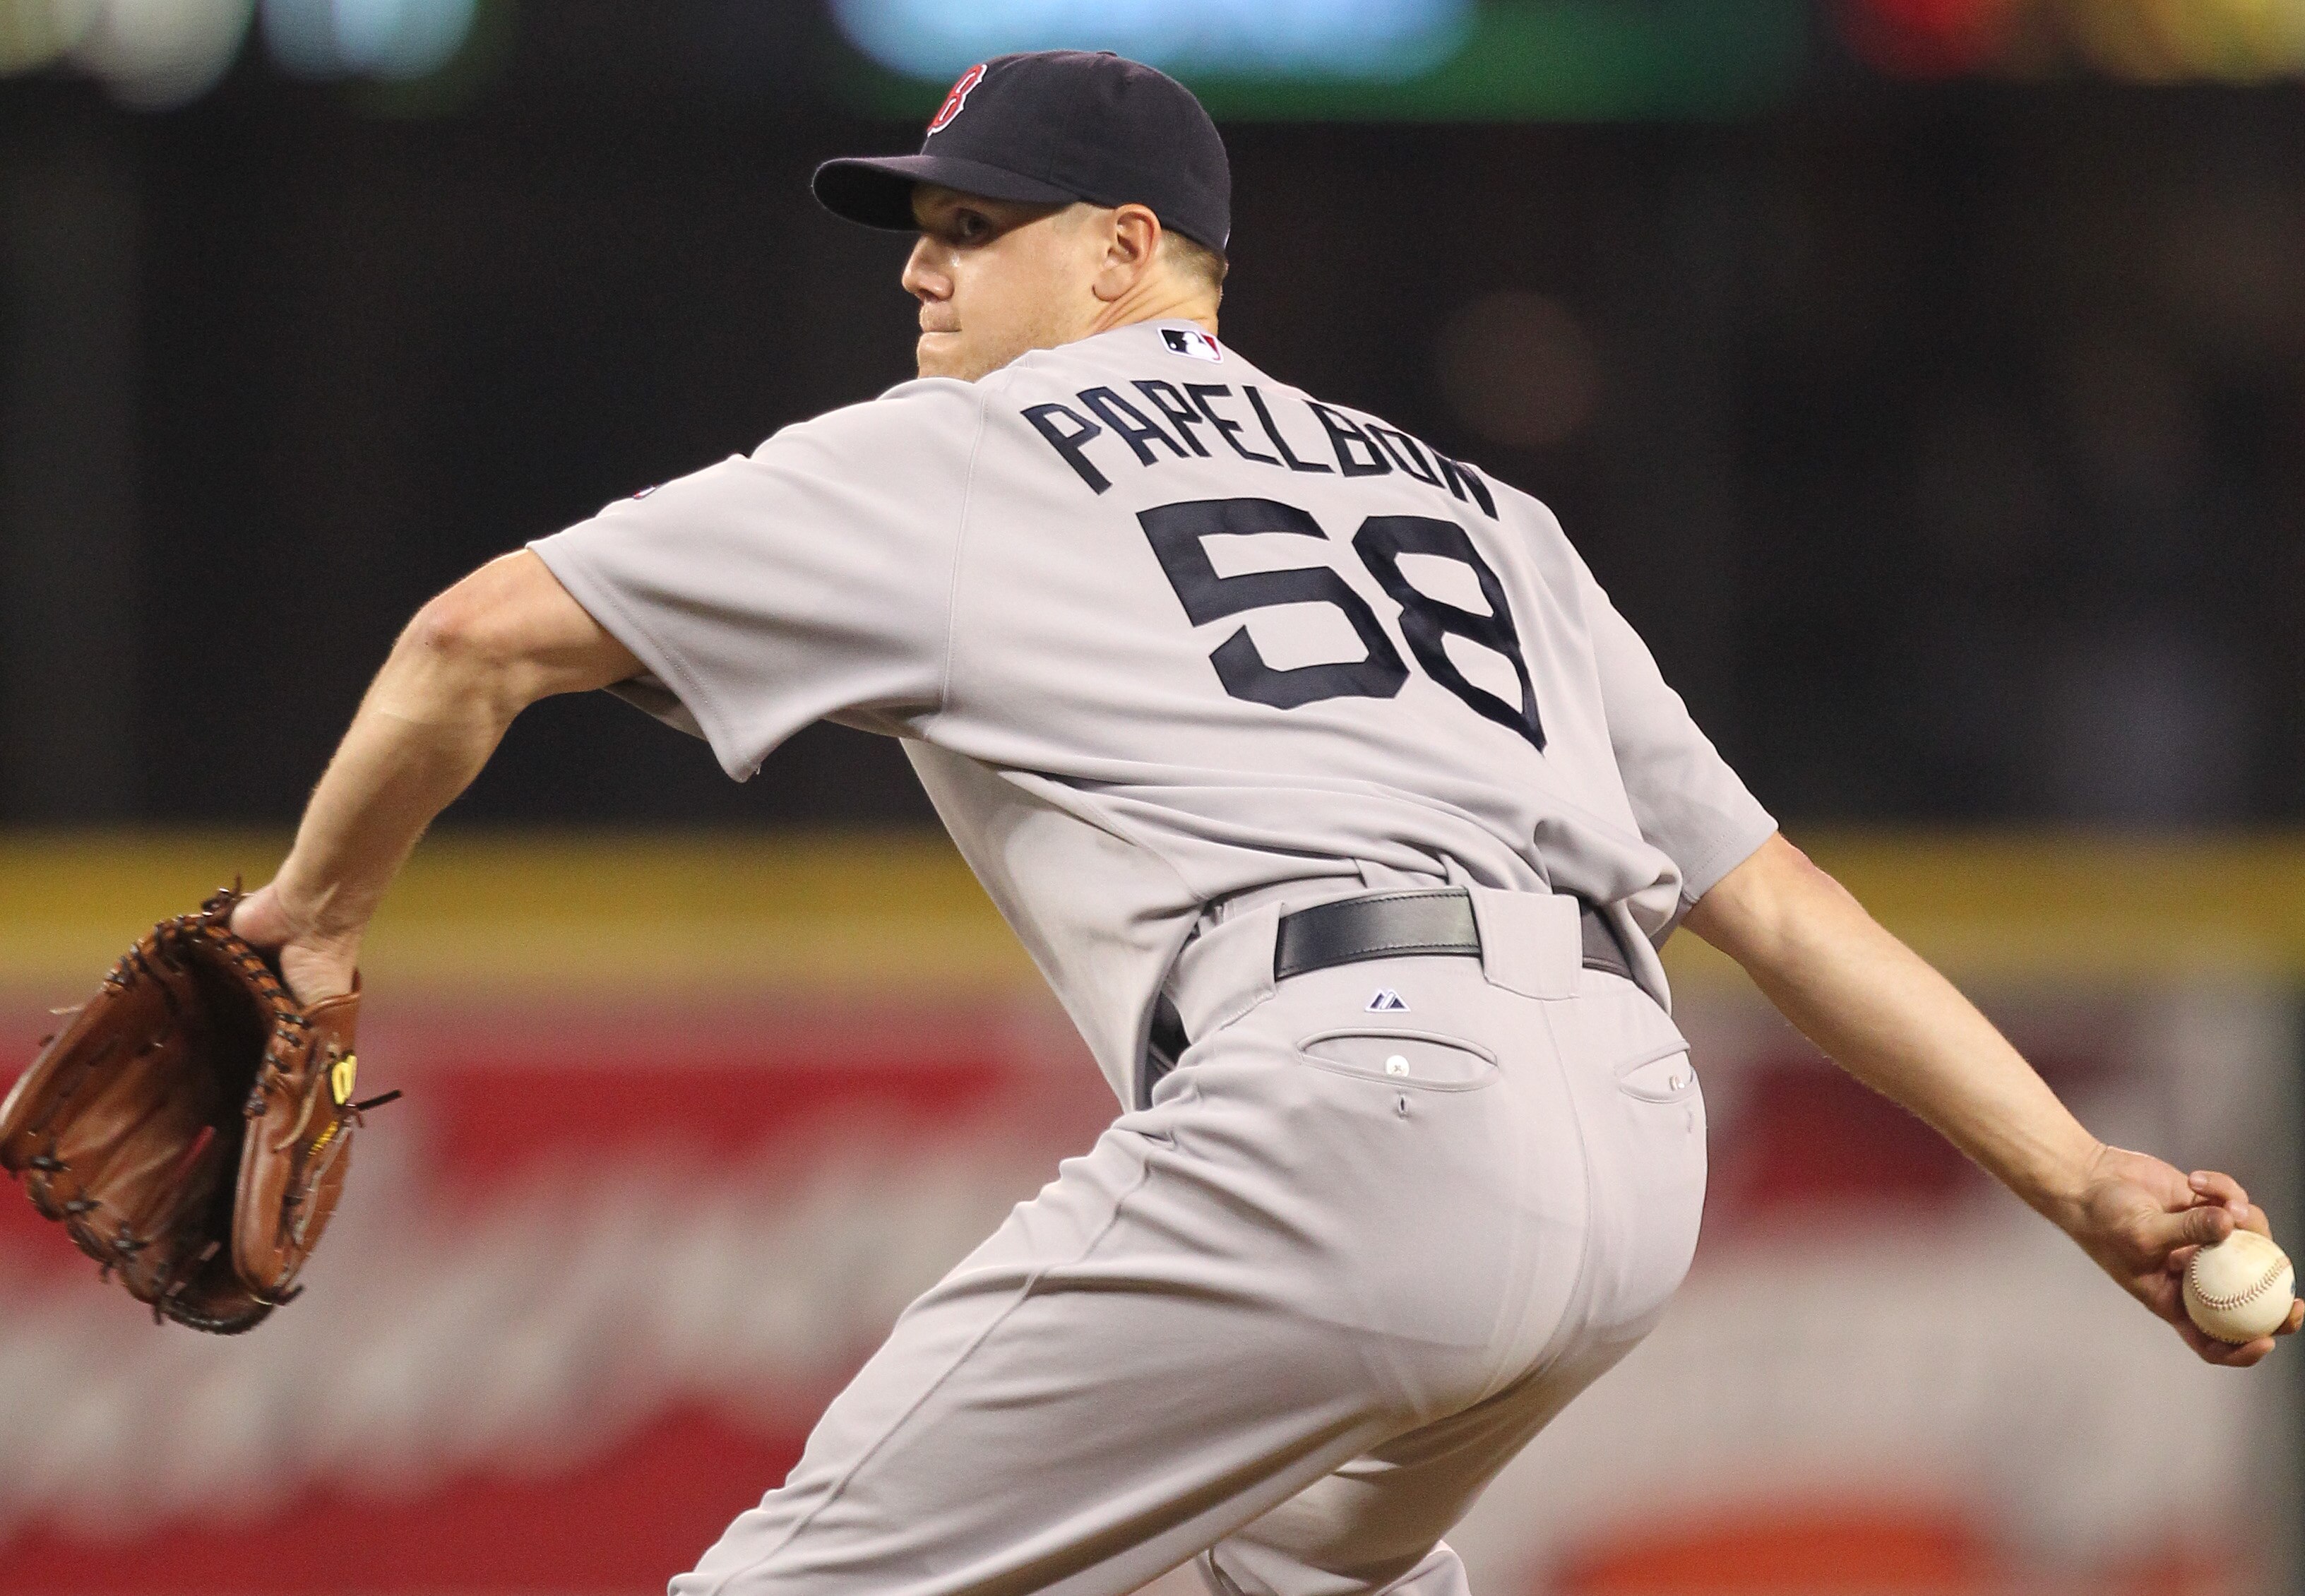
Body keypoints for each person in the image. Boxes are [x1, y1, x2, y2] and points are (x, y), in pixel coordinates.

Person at [227, 49, 2297, 1596]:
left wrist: (313, 921)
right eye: (917, 234)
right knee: (1269, 1568)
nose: (922, 279)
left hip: (1348, 1115)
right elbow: (1773, 898)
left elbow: (467, 640)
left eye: (972, 227)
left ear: (1132, 254)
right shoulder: (1479, 505)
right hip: (1632, 1142)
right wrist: (2085, 1175)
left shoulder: (968, 456)